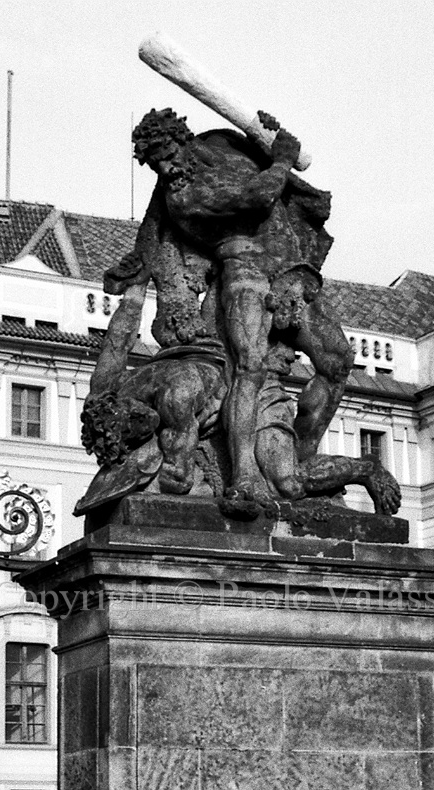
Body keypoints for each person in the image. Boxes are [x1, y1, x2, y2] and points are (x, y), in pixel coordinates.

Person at [131, 107, 353, 508]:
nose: (164, 168)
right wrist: (283, 159)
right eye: (153, 164)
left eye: (166, 154)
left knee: (337, 362)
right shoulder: (182, 196)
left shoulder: (220, 143)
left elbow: (259, 154)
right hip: (245, 272)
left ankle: (301, 455)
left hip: (293, 273)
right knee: (248, 367)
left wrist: (263, 133)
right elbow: (257, 197)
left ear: (182, 139)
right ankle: (245, 473)